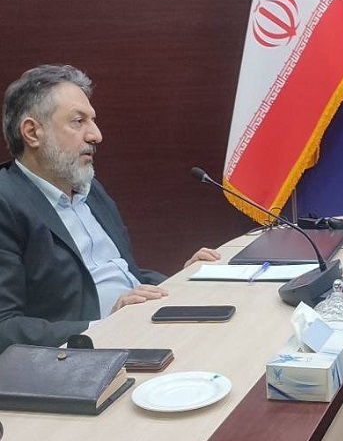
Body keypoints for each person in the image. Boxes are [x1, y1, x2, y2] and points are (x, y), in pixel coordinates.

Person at [0, 65, 220, 352]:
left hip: (141, 332)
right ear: (32, 133)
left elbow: (125, 275)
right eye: (78, 122)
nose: (96, 135)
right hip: (83, 359)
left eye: (93, 121)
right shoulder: (7, 201)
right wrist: (104, 326)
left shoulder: (90, 190)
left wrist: (182, 282)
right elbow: (5, 327)